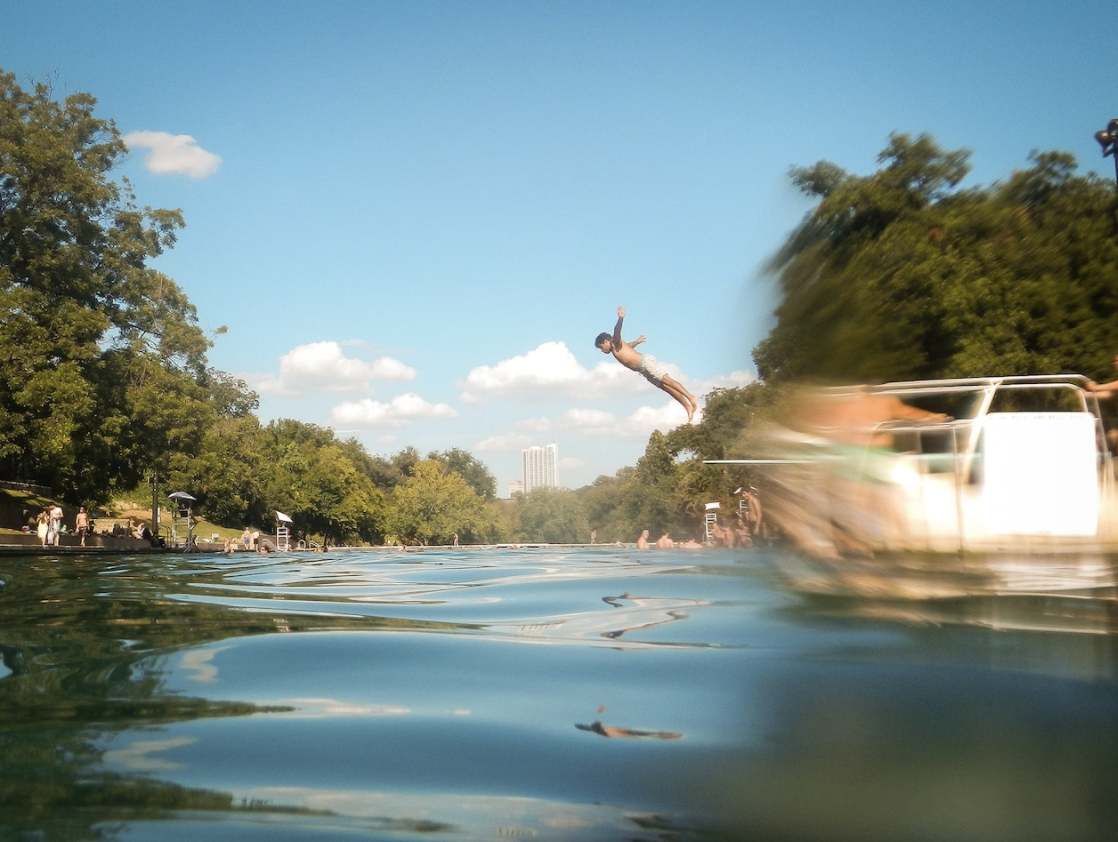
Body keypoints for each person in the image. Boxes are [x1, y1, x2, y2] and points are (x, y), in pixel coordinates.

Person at [595, 306, 699, 422]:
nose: (602, 351)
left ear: (606, 342)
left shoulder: (614, 343)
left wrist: (620, 319)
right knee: (665, 387)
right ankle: (687, 407)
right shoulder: (616, 349)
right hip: (643, 370)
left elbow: (617, 331)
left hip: (645, 363)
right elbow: (628, 347)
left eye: (601, 347)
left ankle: (691, 397)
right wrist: (637, 342)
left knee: (667, 380)